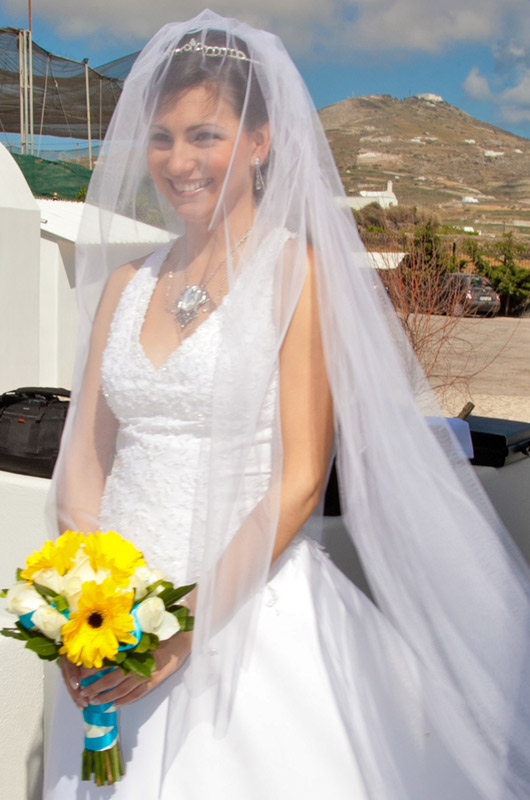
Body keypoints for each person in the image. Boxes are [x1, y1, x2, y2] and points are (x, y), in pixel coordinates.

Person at [44, 10, 530, 799]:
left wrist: (184, 629)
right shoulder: (126, 288)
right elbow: (87, 461)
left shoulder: (296, 275)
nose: (178, 159)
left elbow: (303, 477)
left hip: (241, 615)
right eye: (162, 137)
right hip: (114, 627)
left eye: (205, 135)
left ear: (261, 142)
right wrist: (86, 608)